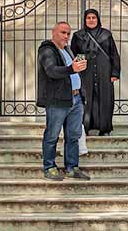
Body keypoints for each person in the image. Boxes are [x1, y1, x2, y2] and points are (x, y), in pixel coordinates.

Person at [37, 20, 90, 181]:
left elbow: (74, 73)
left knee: (73, 135)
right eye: (63, 32)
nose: (66, 36)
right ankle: (49, 167)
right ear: (54, 33)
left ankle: (72, 167)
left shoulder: (68, 50)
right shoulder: (47, 50)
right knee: (52, 135)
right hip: (57, 100)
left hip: (75, 99)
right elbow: (51, 71)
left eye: (68, 33)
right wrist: (71, 69)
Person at [71, 8, 121, 137]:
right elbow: (75, 54)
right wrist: (79, 70)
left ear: (98, 19)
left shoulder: (106, 34)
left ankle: (105, 128)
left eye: (94, 18)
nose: (91, 20)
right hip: (86, 72)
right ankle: (85, 127)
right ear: (84, 20)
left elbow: (113, 54)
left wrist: (114, 73)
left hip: (104, 71)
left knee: (105, 99)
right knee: (87, 98)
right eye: (88, 18)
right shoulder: (78, 35)